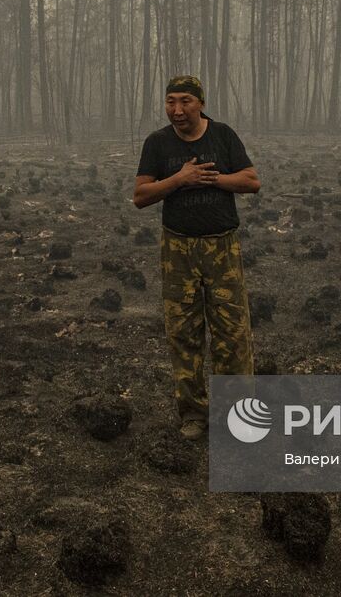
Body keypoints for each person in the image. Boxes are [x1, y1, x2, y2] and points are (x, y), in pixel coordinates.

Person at [133, 75, 261, 440]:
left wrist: (211, 179)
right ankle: (193, 414)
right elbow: (140, 196)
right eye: (171, 101)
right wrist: (179, 178)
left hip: (222, 247)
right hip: (177, 251)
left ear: (201, 103)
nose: (177, 109)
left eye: (185, 101)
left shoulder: (223, 136)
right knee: (183, 333)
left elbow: (252, 182)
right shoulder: (157, 143)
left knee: (232, 334)